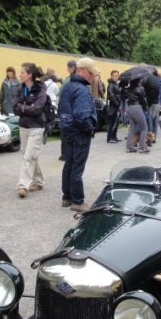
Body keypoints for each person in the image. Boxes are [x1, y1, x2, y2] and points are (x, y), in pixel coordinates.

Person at [58, 57, 98, 211]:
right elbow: (82, 115)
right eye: (92, 73)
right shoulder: (81, 90)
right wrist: (90, 128)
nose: (93, 76)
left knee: (69, 163)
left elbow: (62, 110)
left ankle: (67, 197)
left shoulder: (68, 86)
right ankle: (77, 201)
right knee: (77, 167)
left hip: (67, 131)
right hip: (79, 133)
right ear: (84, 71)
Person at [13, 62, 47, 198]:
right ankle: (38, 181)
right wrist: (27, 107)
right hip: (23, 127)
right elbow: (14, 107)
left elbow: (37, 109)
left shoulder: (40, 90)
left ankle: (23, 185)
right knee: (29, 155)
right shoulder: (20, 89)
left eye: (22, 72)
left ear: (30, 75)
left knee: (28, 156)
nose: (19, 74)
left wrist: (23, 107)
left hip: (36, 128)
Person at [59, 60, 77, 161]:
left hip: (66, 109)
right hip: (72, 108)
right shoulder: (79, 80)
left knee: (65, 132)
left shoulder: (68, 80)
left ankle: (64, 154)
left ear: (71, 68)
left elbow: (60, 93)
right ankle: (68, 154)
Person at [125, 77, 148, 153]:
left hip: (129, 108)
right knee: (144, 128)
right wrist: (146, 108)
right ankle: (142, 147)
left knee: (132, 129)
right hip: (137, 108)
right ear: (138, 80)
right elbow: (143, 99)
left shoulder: (128, 88)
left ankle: (129, 147)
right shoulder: (140, 88)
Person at [141, 69, 161, 140]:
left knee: (150, 121)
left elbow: (150, 92)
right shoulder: (160, 80)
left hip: (152, 103)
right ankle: (154, 138)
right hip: (158, 103)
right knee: (155, 122)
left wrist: (148, 103)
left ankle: (150, 139)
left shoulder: (150, 79)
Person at [106, 69, 121, 143]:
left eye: (116, 76)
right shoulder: (111, 85)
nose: (115, 77)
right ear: (111, 76)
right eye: (114, 76)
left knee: (116, 122)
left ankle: (114, 137)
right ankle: (109, 138)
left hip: (117, 106)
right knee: (112, 123)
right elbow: (111, 96)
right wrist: (117, 103)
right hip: (113, 107)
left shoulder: (116, 84)